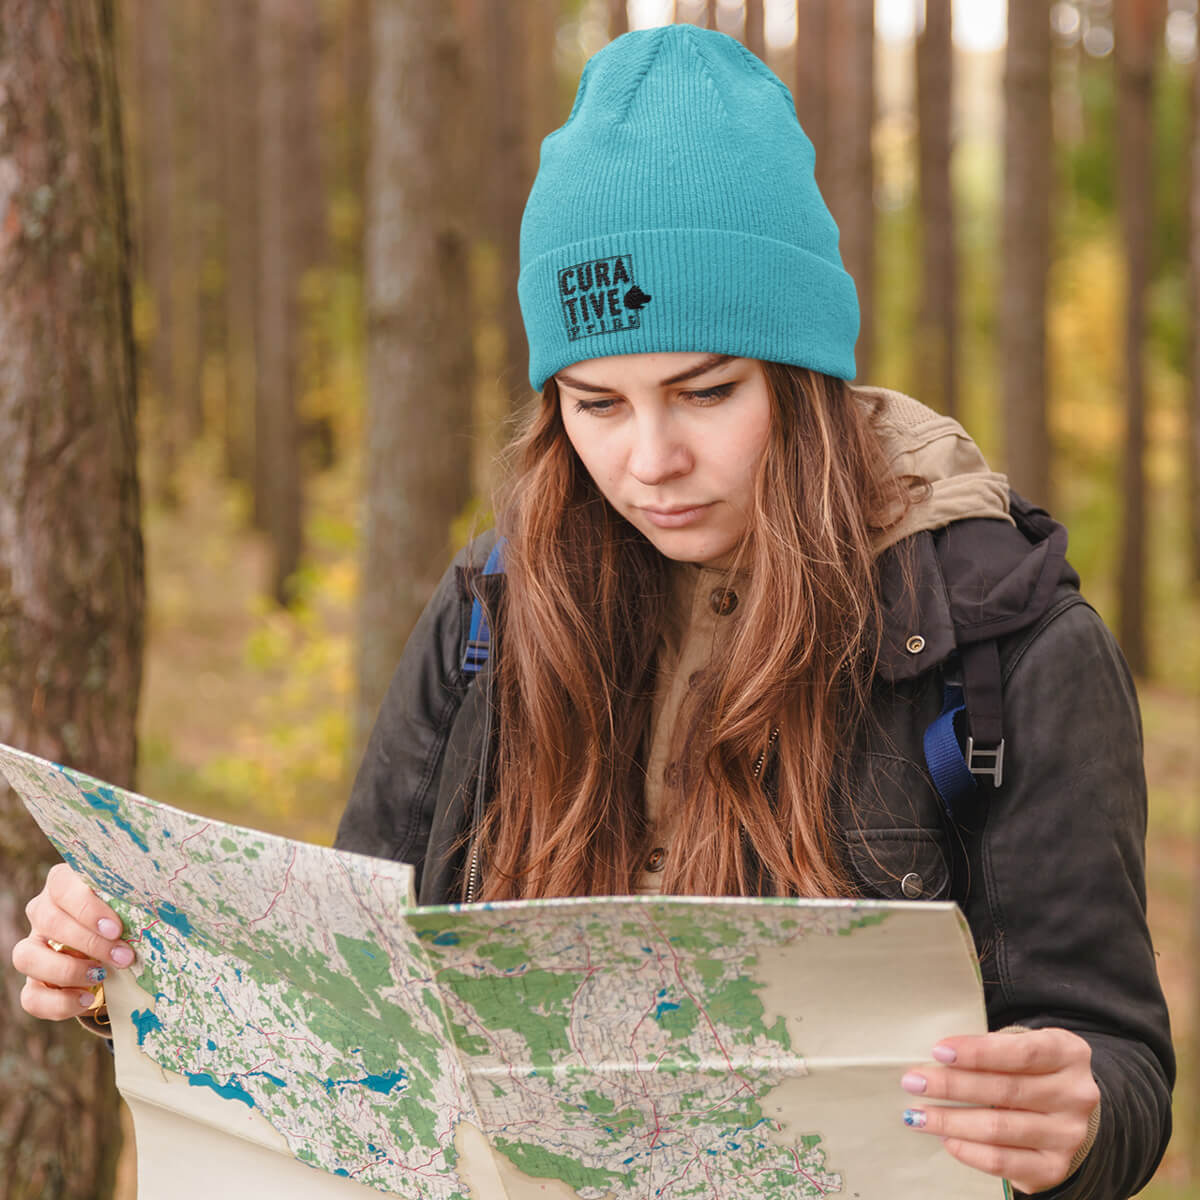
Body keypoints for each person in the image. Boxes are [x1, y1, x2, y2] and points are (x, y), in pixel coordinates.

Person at [12, 24, 1172, 1199]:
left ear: (803, 375)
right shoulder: (490, 614)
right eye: (596, 402)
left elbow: (1116, 1065)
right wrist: (141, 971)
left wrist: (1074, 1120)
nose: (650, 459)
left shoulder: (1001, 642)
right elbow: (354, 1003)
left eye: (705, 392)